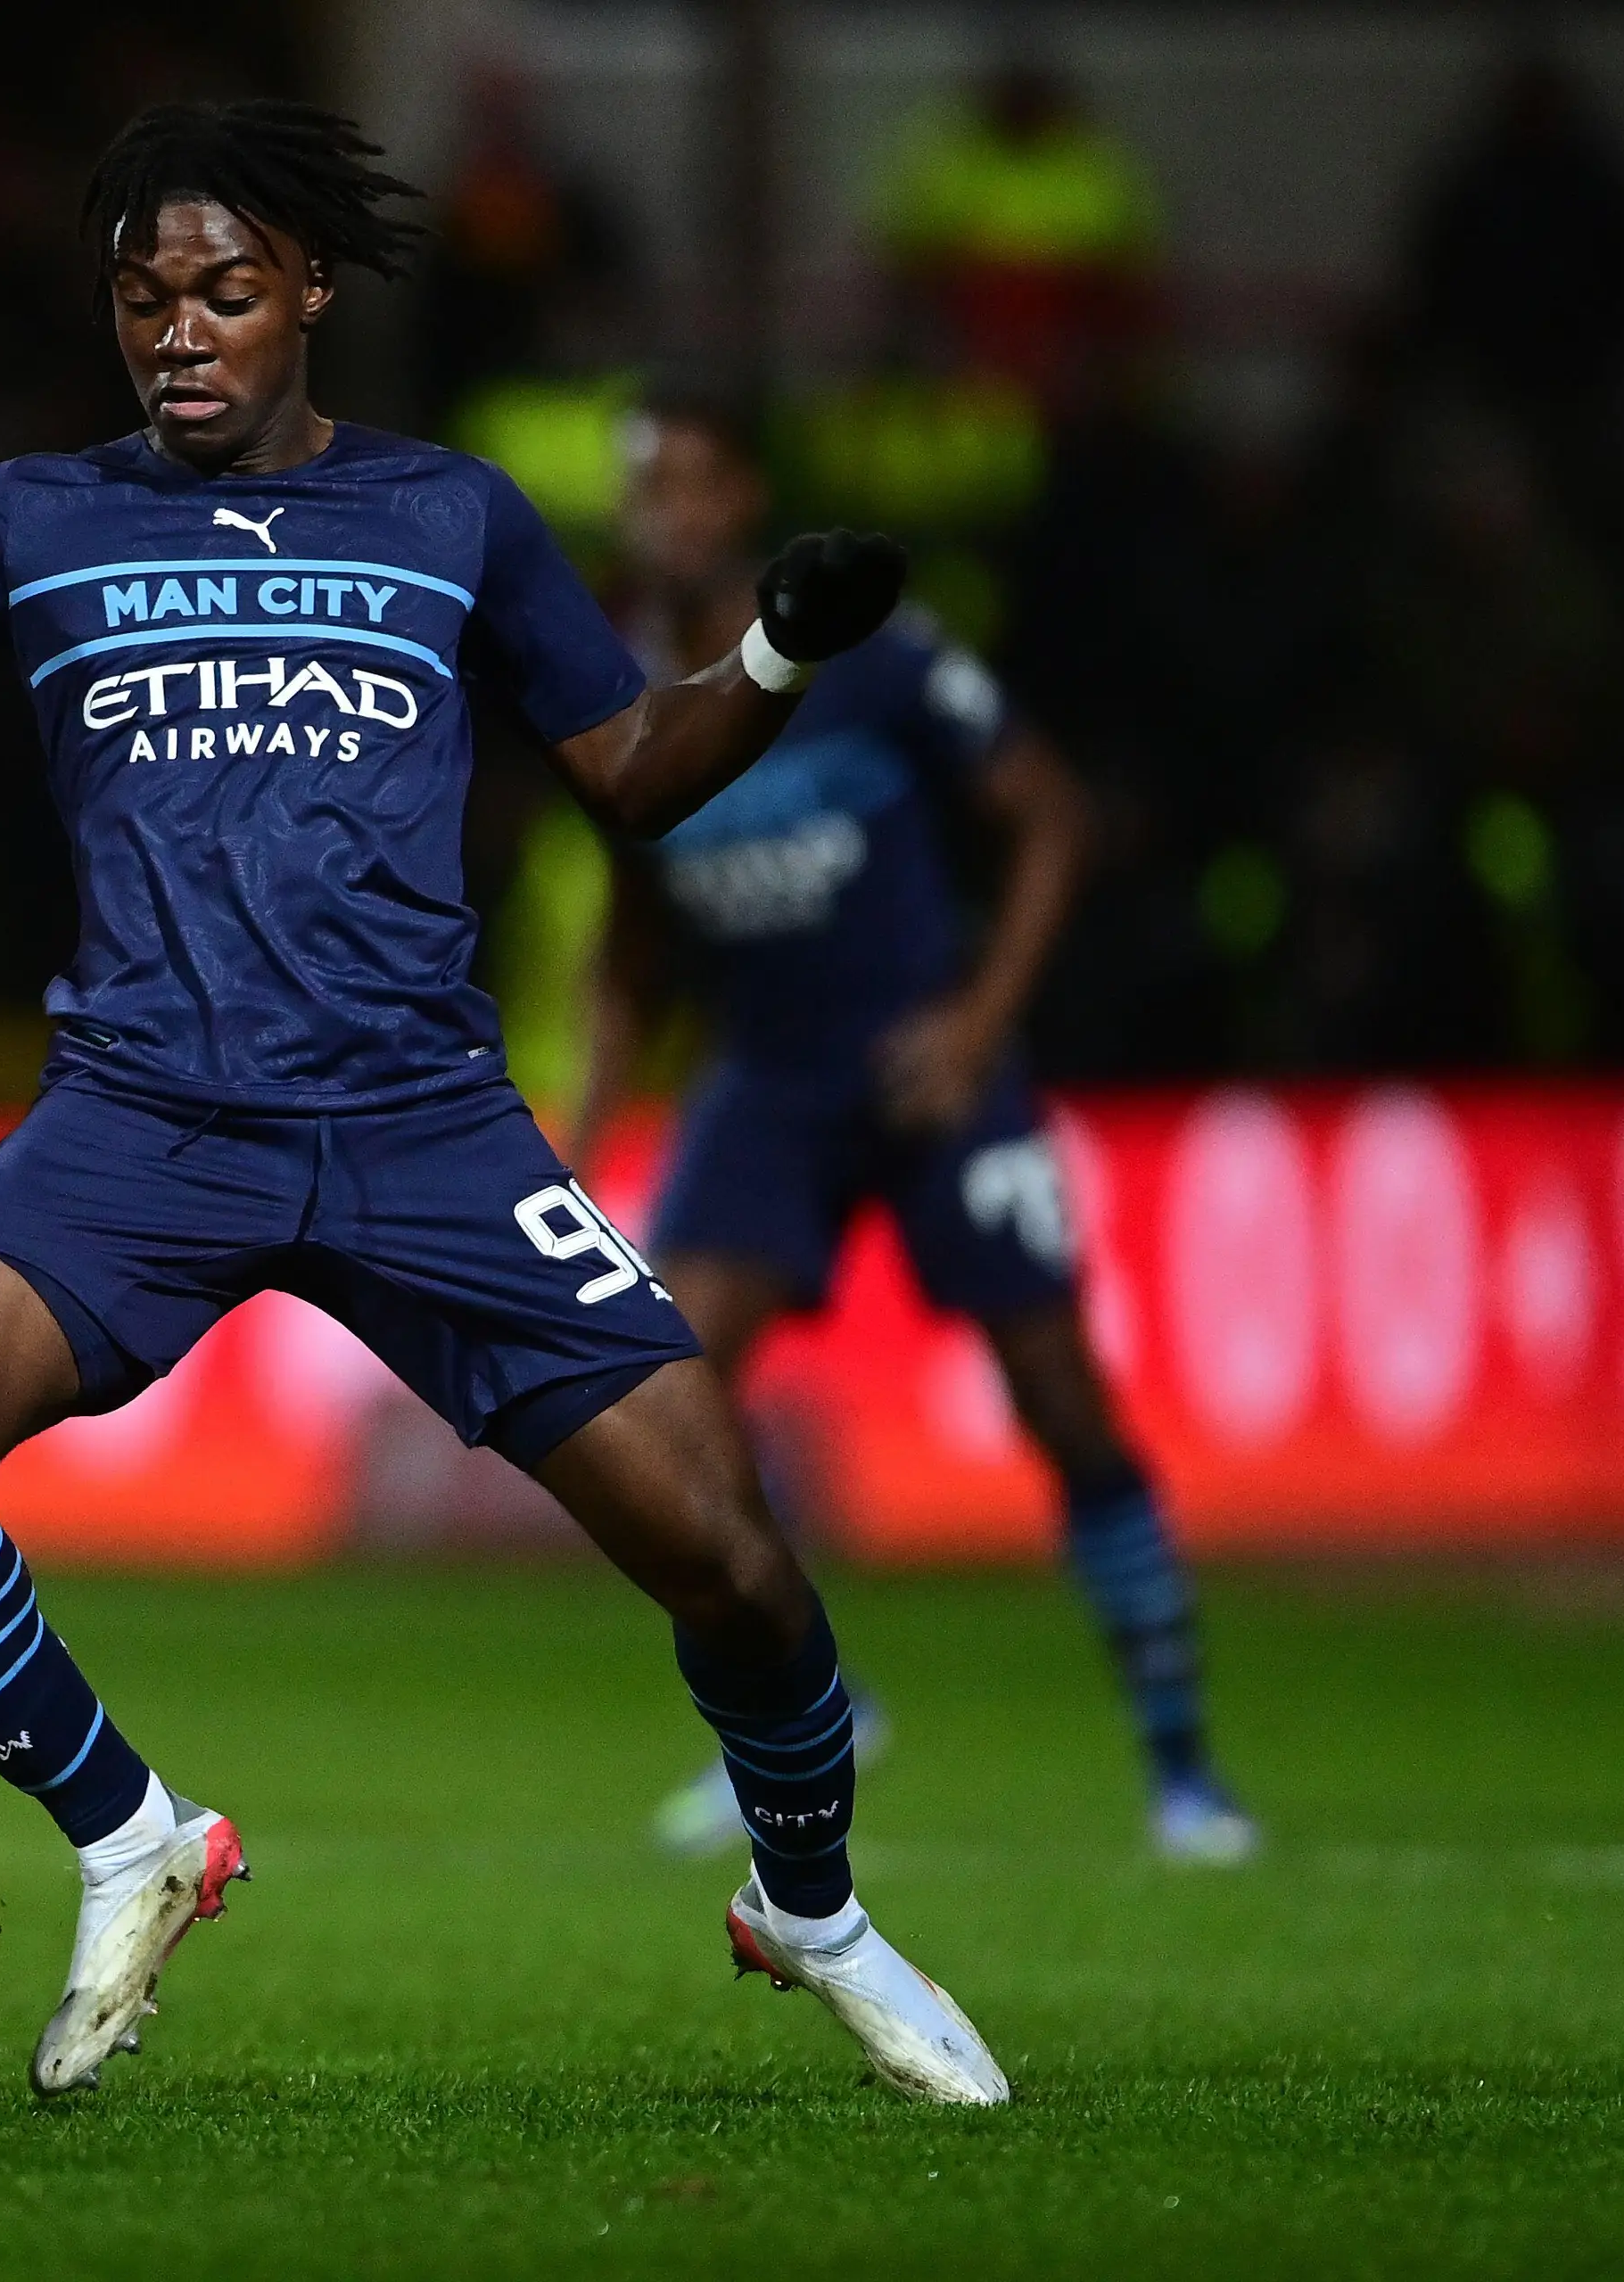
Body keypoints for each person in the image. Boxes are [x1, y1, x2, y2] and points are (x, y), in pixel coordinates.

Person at [0, 103, 1010, 2105]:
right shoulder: (28, 521)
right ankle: (133, 1831)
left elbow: (639, 768)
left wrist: (771, 644)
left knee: (736, 1560)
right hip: (144, 1119)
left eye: (226, 292)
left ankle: (814, 1910)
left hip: (424, 1122)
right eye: (146, 299)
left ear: (309, 292)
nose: (182, 331)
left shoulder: (455, 514)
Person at [573, 394, 1256, 1866]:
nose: (665, 516)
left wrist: (977, 1021)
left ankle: (1185, 1768)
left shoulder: (869, 655)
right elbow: (629, 952)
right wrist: (570, 1138)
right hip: (764, 1078)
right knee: (658, 1414)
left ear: (743, 494)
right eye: (644, 490)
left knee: (1065, 1407)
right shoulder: (620, 688)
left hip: (922, 1064)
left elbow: (1051, 815)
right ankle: (808, 1713)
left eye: (689, 485)